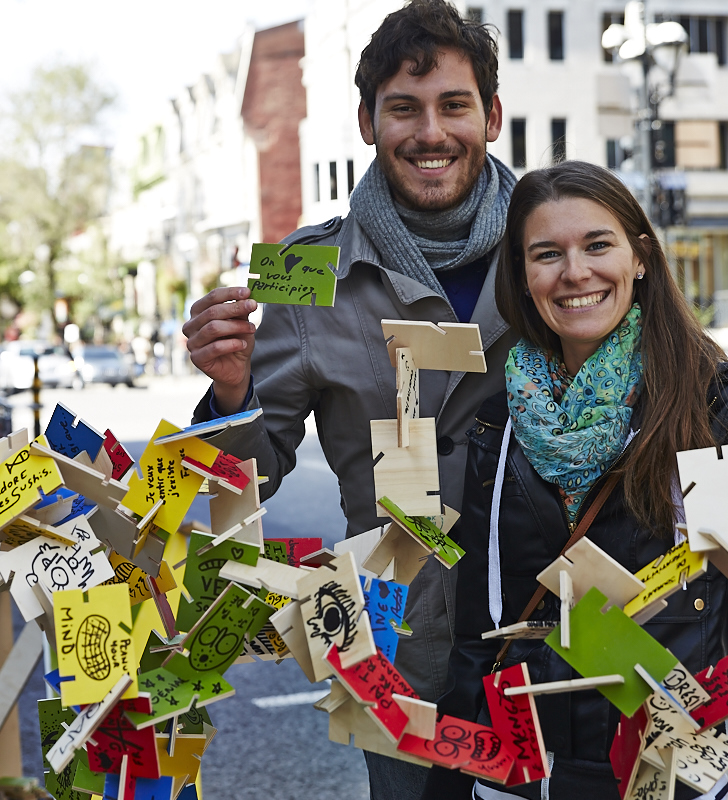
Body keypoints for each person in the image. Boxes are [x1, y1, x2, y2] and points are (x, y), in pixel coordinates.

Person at [426, 160, 728, 800]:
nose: (575, 273)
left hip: (663, 778)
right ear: (523, 276)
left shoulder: (717, 416)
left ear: (640, 257)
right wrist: (452, 780)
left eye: (598, 245)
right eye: (546, 254)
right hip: (513, 779)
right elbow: (479, 633)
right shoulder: (502, 421)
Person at [181, 1, 516, 795]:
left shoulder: (557, 243)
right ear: (367, 123)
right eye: (403, 108)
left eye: (453, 105)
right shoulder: (306, 276)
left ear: (492, 116)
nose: (429, 131)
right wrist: (229, 392)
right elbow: (250, 482)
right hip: (398, 633)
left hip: (555, 610)